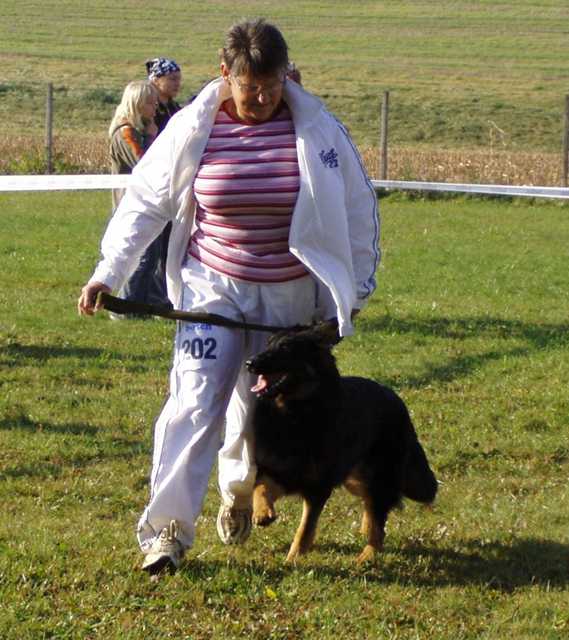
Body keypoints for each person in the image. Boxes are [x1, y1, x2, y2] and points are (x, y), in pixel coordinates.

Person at [77, 18, 381, 575]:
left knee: (259, 410)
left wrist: (354, 290)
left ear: (286, 74)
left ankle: (239, 492)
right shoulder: (193, 127)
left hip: (289, 298)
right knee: (194, 403)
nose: (262, 98)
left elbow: (357, 209)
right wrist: (108, 272)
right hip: (211, 287)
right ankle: (166, 532)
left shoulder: (319, 130)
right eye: (249, 86)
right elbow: (144, 202)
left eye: (272, 85)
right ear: (225, 74)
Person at [109, 80, 158, 210]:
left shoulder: (142, 129)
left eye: (155, 103)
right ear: (137, 105)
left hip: (144, 203)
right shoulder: (126, 133)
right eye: (150, 103)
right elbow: (143, 164)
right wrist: (150, 138)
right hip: (129, 207)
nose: (155, 107)